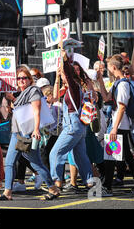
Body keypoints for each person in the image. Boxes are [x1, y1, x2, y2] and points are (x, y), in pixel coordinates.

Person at [0, 66, 60, 201]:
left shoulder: (33, 90)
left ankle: (53, 188)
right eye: (18, 78)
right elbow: (12, 112)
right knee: (10, 162)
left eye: (24, 78)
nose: (21, 80)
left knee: (36, 164)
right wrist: (10, 99)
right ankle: (7, 193)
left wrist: (35, 130)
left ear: (30, 80)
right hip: (16, 133)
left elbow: (36, 111)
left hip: (27, 133)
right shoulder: (18, 93)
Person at [96, 55, 134, 196]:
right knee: (125, 157)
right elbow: (106, 98)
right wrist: (100, 80)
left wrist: (114, 128)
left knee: (111, 156)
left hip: (119, 126)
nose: (107, 70)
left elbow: (122, 107)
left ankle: (108, 187)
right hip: (119, 126)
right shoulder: (117, 83)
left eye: (108, 68)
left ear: (113, 67)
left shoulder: (123, 84)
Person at [49, 47, 94, 192]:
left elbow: (68, 73)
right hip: (78, 127)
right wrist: (57, 77)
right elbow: (54, 97)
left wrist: (65, 59)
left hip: (72, 127)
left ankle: (56, 183)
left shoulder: (74, 86)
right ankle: (89, 182)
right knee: (80, 155)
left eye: (63, 73)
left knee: (55, 153)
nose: (62, 74)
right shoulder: (72, 88)